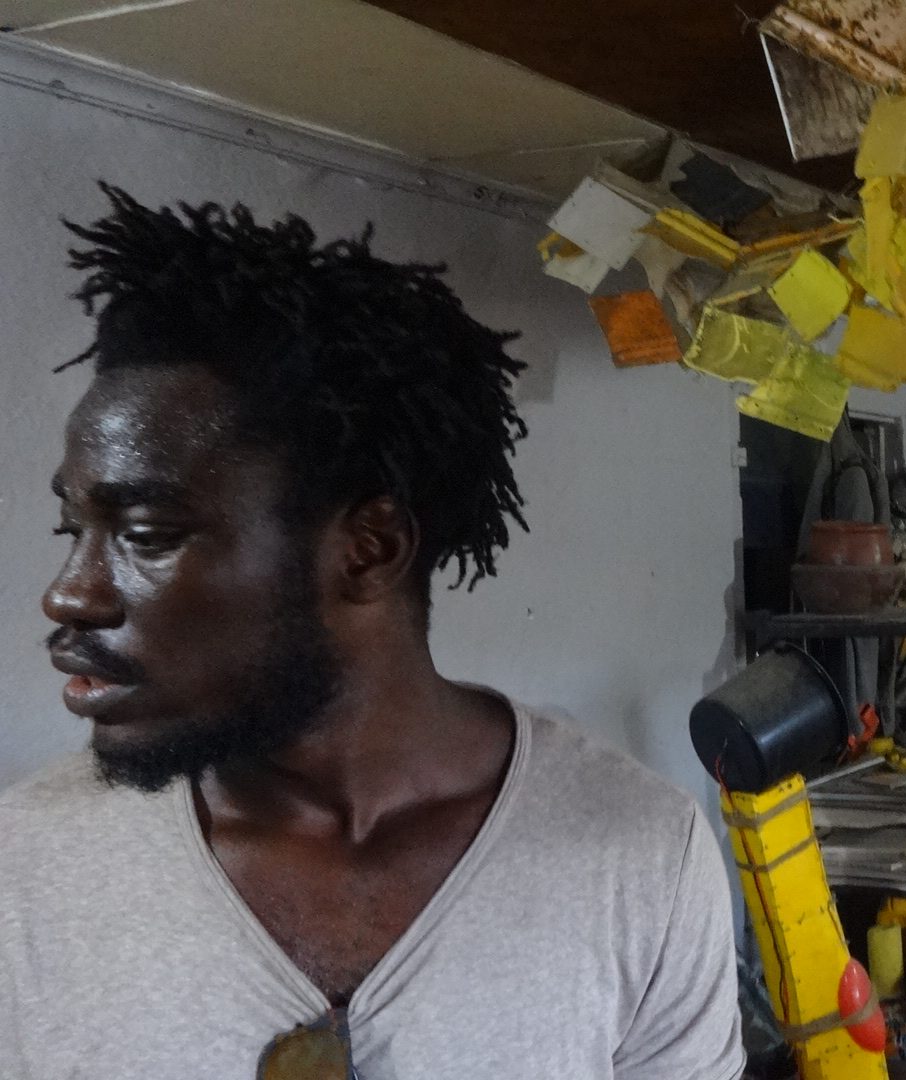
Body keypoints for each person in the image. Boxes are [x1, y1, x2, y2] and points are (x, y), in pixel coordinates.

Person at [0, 186, 744, 1079]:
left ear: (369, 549)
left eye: (147, 535)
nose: (69, 595)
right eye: (72, 529)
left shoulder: (640, 855)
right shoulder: (26, 868)